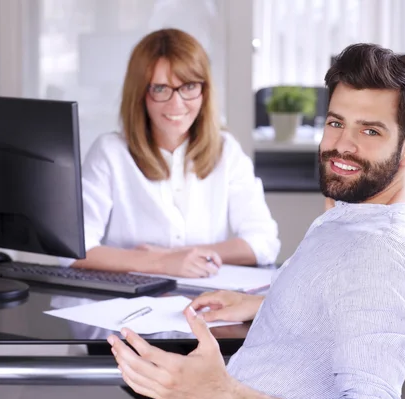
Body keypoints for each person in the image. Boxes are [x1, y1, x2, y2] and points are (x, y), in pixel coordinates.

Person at [107, 43, 405, 399]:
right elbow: (344, 301)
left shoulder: (383, 259)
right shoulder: (360, 215)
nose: (343, 144)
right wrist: (272, 304)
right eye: (335, 122)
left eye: (370, 131)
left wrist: (221, 392)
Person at [66, 29, 280, 277]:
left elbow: (264, 243)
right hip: (125, 304)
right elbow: (75, 251)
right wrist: (159, 263)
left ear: (204, 90)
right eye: (160, 89)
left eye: (189, 86)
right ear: (141, 94)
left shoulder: (226, 150)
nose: (176, 104)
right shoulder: (109, 153)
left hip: (204, 303)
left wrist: (183, 255)